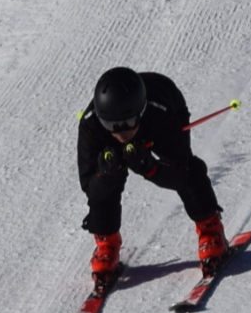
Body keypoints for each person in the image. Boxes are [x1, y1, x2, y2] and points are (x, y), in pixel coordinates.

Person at [77, 66, 228, 294]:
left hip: (165, 106)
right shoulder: (91, 126)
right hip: (132, 123)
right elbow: (90, 186)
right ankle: (106, 243)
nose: (121, 132)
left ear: (141, 112)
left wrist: (150, 168)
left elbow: (181, 173)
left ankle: (210, 230)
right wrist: (106, 175)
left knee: (189, 170)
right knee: (107, 179)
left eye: (128, 123)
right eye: (111, 125)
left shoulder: (161, 115)